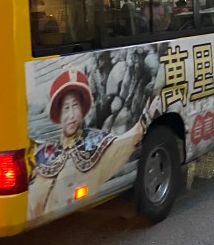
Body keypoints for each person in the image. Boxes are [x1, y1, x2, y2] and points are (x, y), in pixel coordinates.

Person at [28, 69, 159, 218]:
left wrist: (143, 123)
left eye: (75, 106)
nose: (71, 115)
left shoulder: (95, 140)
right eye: (66, 108)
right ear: (59, 114)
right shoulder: (47, 153)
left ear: (82, 110)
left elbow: (119, 147)